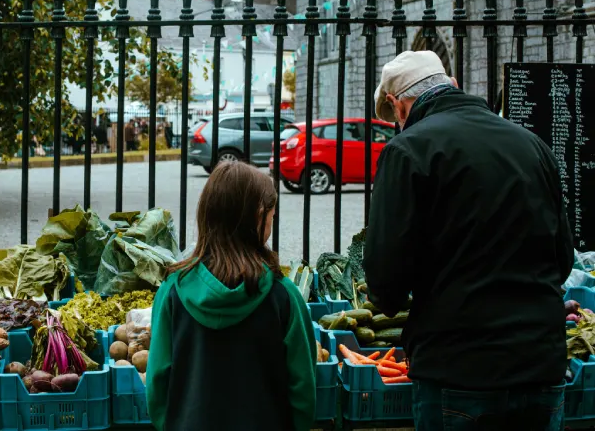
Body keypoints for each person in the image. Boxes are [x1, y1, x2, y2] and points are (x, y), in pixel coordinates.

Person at [364, 51, 574, 431]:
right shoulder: (533, 145)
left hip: (458, 369)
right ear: (453, 85)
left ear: (397, 105)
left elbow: (385, 285)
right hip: (540, 363)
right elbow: (562, 260)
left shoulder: (408, 150)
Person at [146, 161, 317, 431]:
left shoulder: (171, 292)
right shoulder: (284, 296)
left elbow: (157, 382)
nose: (272, 223)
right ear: (259, 217)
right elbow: (303, 386)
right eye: (272, 217)